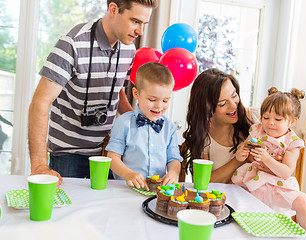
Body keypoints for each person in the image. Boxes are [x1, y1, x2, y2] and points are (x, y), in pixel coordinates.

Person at [28, 0, 159, 186]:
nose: (140, 32)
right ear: (113, 9)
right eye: (135, 21)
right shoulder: (72, 43)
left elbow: (116, 89)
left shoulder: (129, 49)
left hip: (106, 153)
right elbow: (40, 102)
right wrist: (39, 165)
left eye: (144, 24)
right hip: (69, 155)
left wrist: (135, 118)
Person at [231, 87, 306, 236]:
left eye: (278, 119)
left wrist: (267, 159)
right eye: (266, 117)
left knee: (303, 202)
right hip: (253, 181)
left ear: (292, 121)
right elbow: (240, 157)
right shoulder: (257, 131)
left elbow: (286, 171)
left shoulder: (292, 142)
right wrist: (241, 153)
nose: (270, 123)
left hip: (278, 185)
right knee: (236, 203)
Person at [105, 62, 182, 190]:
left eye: (165, 100)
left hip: (158, 192)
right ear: (136, 94)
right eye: (152, 100)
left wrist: (173, 173)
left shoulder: (169, 127)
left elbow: (173, 159)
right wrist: (128, 174)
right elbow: (112, 158)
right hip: (126, 188)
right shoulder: (123, 123)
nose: (159, 106)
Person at [181, 68, 260, 183]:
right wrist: (240, 159)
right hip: (225, 199)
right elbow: (202, 183)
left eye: (234, 95)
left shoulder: (258, 118)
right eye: (222, 104)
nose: (233, 106)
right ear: (206, 108)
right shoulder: (204, 136)